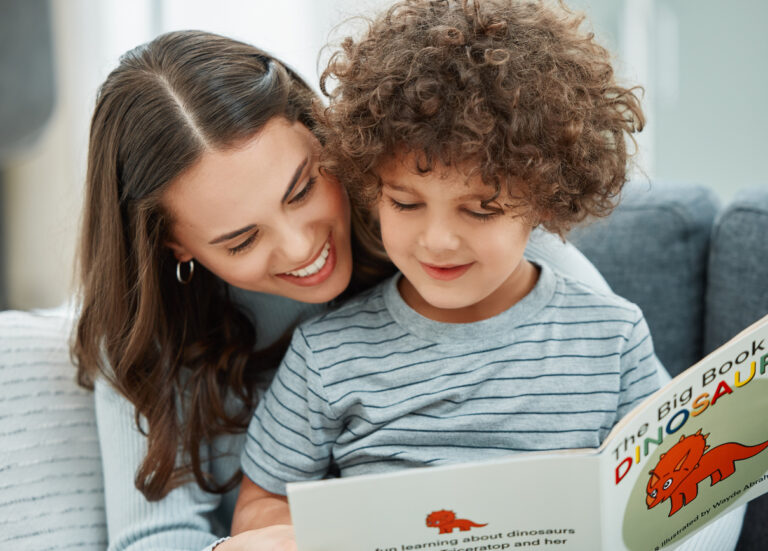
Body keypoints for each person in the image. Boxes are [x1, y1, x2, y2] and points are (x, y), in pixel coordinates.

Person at [73, 28, 616, 551]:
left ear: (324, 133)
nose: (299, 247)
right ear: (174, 246)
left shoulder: (479, 251)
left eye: (303, 188)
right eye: (241, 241)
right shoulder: (150, 339)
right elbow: (152, 538)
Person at [230, 1, 745, 549]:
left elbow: (676, 488)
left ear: (547, 202)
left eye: (480, 210)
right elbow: (263, 501)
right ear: (369, 185)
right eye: (405, 203)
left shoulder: (611, 337)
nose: (438, 240)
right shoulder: (327, 354)